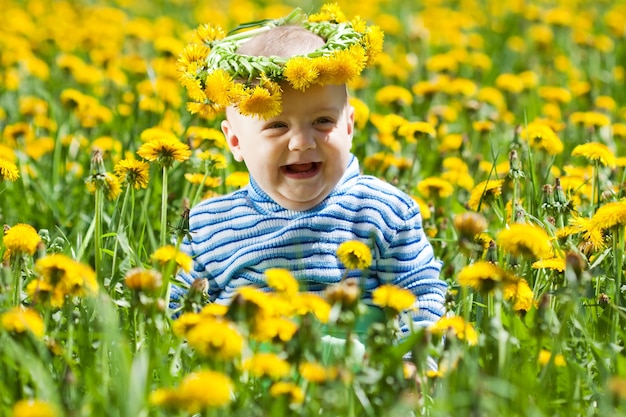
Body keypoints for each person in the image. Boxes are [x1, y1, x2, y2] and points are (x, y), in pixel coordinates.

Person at [172, 4, 447, 355]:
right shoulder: (208, 227)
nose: (302, 142)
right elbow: (176, 316)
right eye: (277, 125)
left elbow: (421, 295)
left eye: (322, 121)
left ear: (349, 125)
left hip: (357, 389)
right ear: (235, 142)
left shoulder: (383, 212)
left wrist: (410, 367)